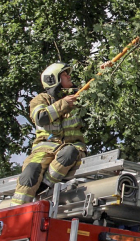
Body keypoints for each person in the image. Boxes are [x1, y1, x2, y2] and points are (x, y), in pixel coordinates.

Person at [12, 62, 87, 205]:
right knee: (31, 171)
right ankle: (16, 212)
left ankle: (45, 187)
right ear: (54, 80)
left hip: (72, 150)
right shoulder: (40, 99)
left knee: (69, 152)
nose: (69, 76)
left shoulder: (77, 97)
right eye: (65, 74)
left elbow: (94, 86)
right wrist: (63, 104)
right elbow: (41, 118)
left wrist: (104, 69)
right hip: (43, 150)